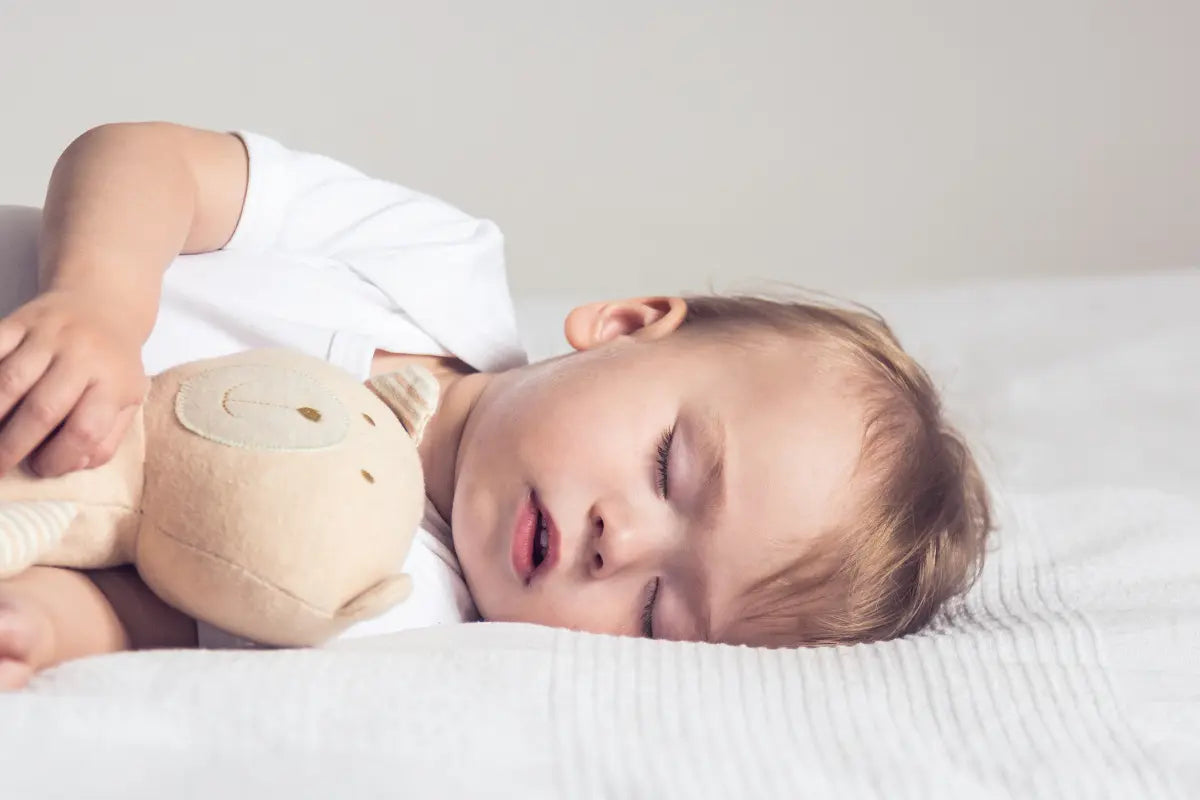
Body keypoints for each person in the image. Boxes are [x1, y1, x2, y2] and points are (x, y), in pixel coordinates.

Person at [0, 123, 990, 690]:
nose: (621, 542)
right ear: (630, 322)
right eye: (667, 468)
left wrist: (44, 625)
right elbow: (146, 160)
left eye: (655, 612)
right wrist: (97, 299)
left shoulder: (406, 614)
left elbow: (161, 619)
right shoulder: (432, 262)